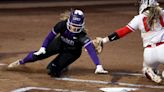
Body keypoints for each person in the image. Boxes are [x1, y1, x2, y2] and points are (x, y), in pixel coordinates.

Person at [8, 9, 108, 77]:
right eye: (73, 25)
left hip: (72, 53)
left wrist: (98, 65)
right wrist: (43, 47)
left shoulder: (82, 35)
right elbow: (50, 36)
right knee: (37, 55)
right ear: (69, 21)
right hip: (59, 43)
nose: (74, 28)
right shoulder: (62, 25)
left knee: (52, 71)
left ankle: (63, 66)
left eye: (77, 26)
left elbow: (90, 49)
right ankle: (21, 61)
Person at [96, 0, 164, 83]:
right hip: (162, 49)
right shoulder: (162, 14)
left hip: (148, 54)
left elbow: (123, 32)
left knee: (146, 68)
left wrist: (104, 40)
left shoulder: (139, 18)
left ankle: (149, 71)